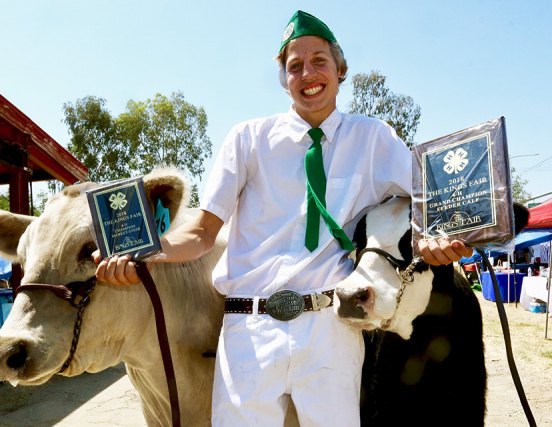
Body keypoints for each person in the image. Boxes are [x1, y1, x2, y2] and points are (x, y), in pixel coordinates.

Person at [94, 10, 472, 426]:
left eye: (319, 61)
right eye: (295, 66)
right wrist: (141, 252)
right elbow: (202, 234)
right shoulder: (247, 139)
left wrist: (438, 238)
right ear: (283, 78)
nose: (308, 73)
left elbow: (435, 201)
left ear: (340, 69)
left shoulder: (374, 137)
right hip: (250, 328)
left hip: (332, 330)